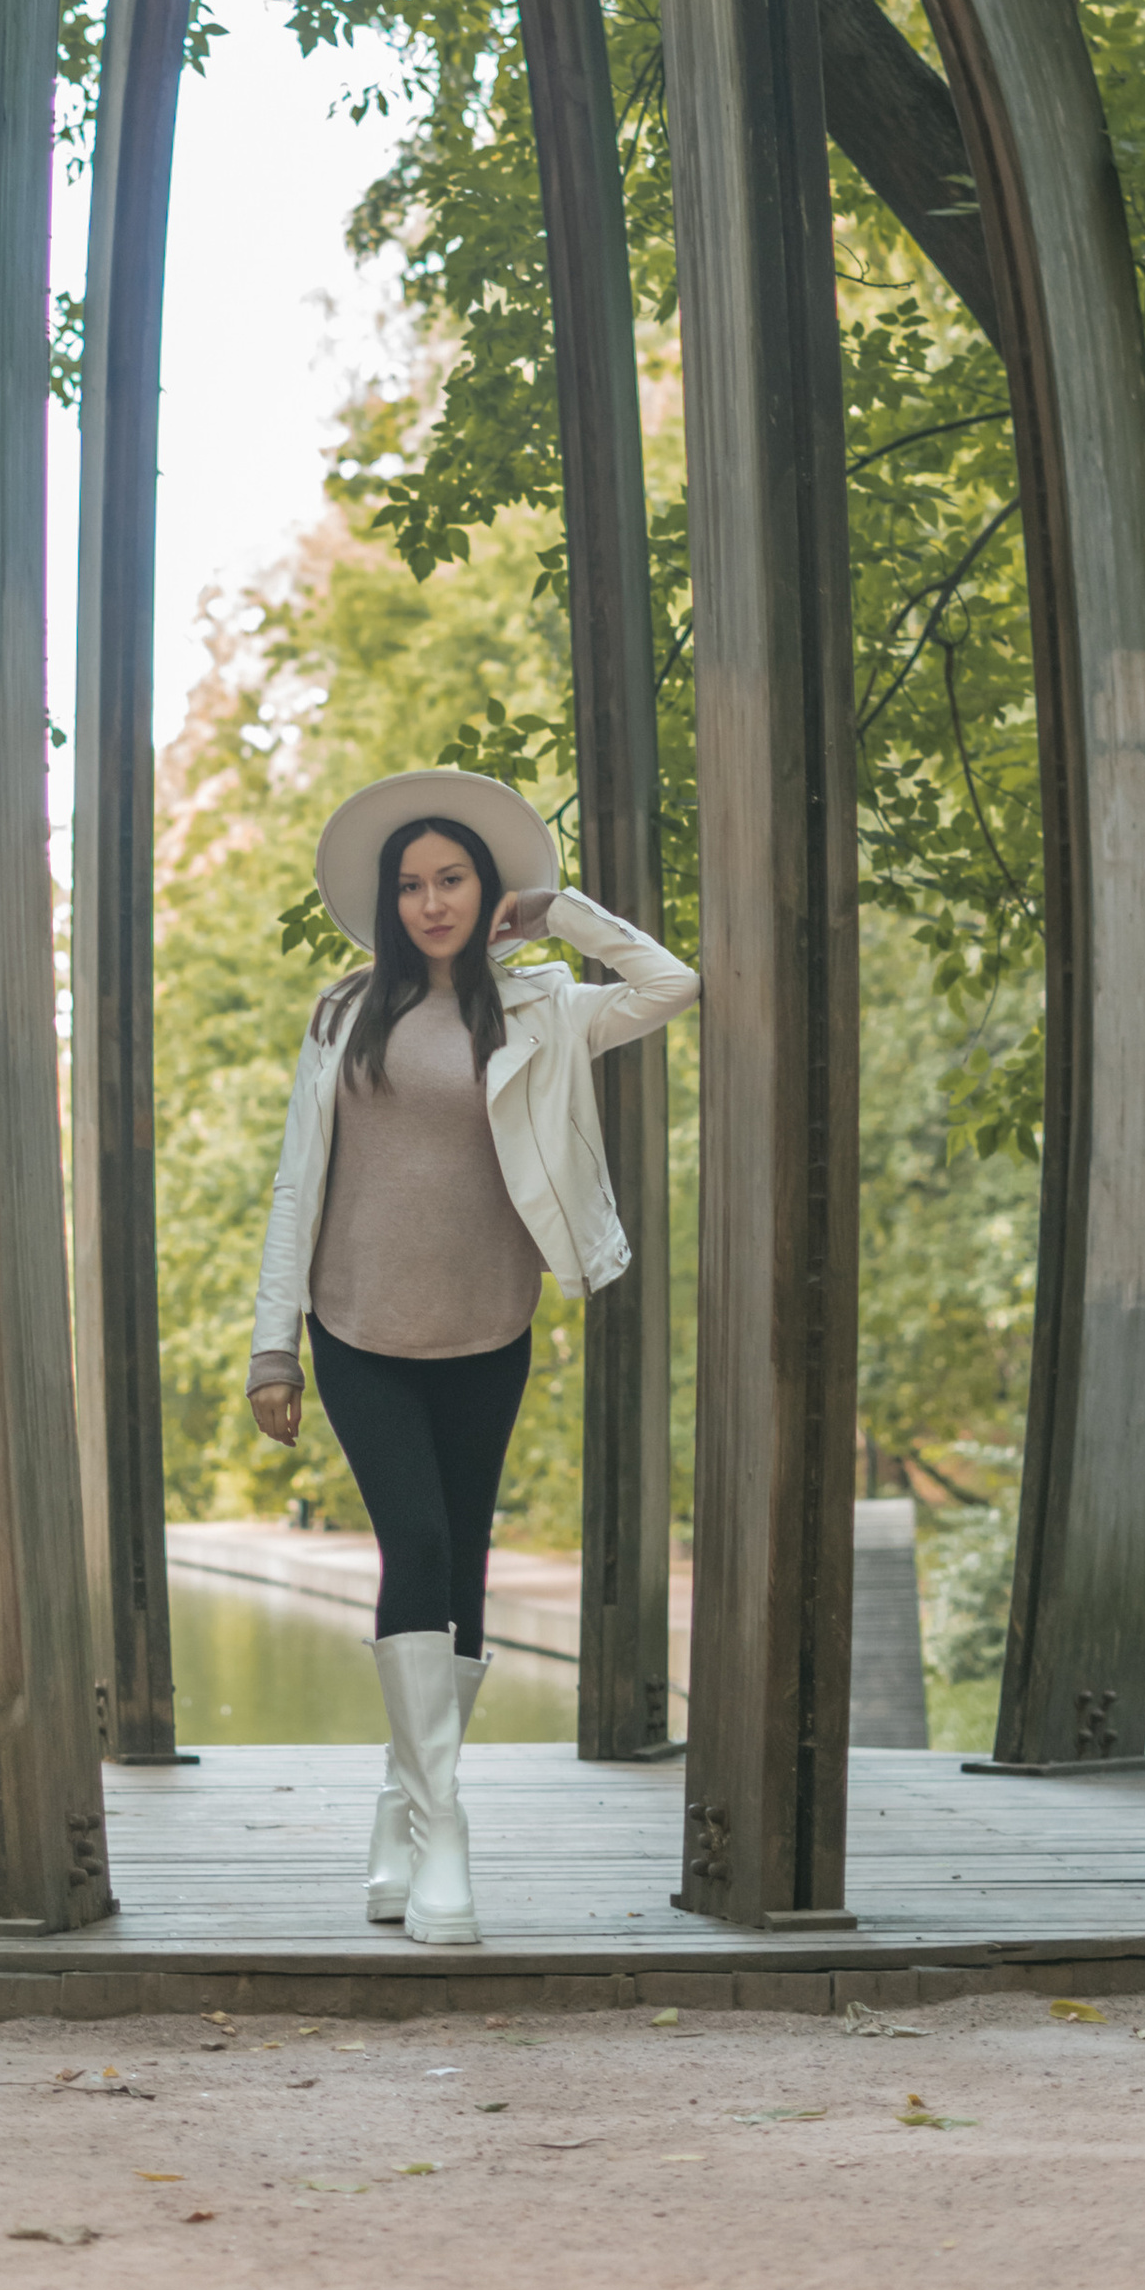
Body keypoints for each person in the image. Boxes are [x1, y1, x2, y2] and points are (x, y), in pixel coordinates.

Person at [246, 767, 698, 1946]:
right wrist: (269, 1345)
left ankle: (401, 1810)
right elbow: (299, 1178)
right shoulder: (344, 1015)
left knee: (469, 1564)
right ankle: (444, 1830)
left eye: (452, 879)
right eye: (410, 884)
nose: (430, 901)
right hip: (356, 1328)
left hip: (489, 1328)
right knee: (421, 1545)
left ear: (483, 888)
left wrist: (558, 912)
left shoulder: (549, 1008)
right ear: (389, 904)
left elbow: (670, 985)